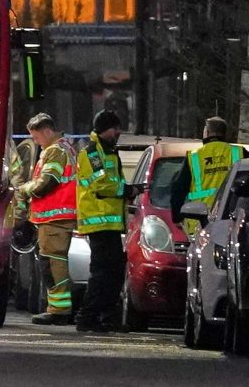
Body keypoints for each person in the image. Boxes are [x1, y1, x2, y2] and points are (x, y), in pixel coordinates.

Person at [75, 109, 142, 333]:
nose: (119, 132)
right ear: (104, 129)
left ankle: (105, 317)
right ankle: (88, 316)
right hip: (99, 223)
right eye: (115, 128)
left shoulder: (108, 152)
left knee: (112, 272)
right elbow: (101, 185)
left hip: (109, 223)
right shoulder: (93, 153)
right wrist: (128, 190)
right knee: (102, 273)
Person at [16, 113, 78, 325]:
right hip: (58, 217)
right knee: (53, 263)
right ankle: (59, 308)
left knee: (53, 263)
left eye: (36, 137)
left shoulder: (54, 151)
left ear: (46, 131)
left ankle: (59, 310)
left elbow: (47, 182)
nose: (35, 141)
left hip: (55, 218)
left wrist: (25, 189)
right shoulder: (65, 148)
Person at [171, 116, 248, 233]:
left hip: (201, 223)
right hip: (232, 223)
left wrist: (177, 217)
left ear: (207, 132)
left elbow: (178, 189)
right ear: (225, 134)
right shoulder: (239, 153)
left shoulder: (195, 157)